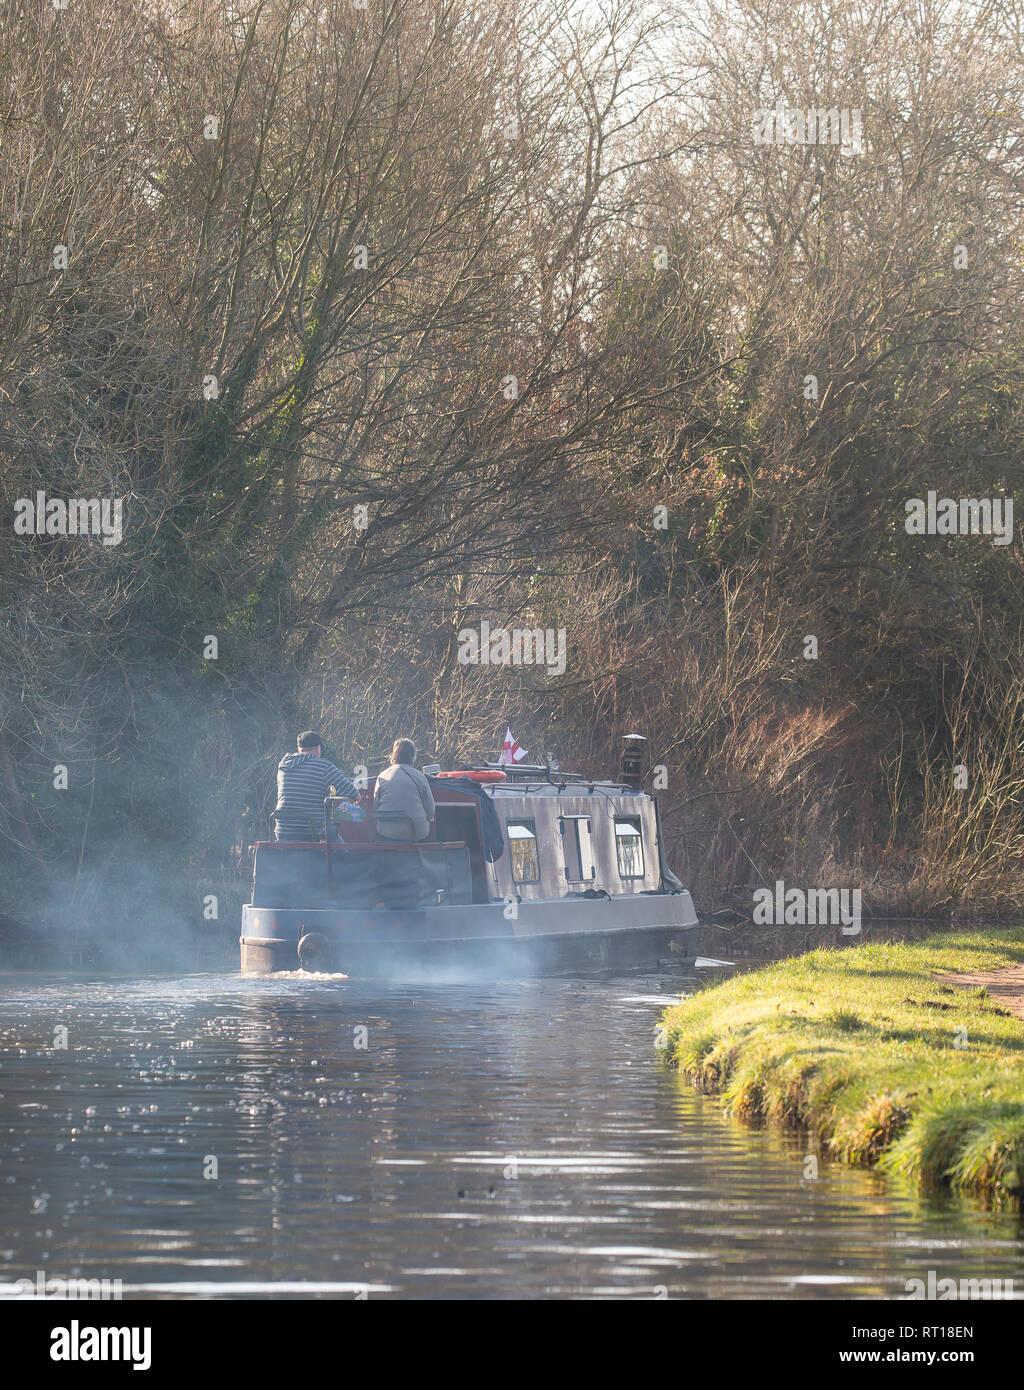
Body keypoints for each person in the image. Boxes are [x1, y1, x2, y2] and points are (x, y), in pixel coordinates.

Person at [273, 731, 359, 842]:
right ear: (318, 749)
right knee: (342, 848)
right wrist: (355, 796)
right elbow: (352, 792)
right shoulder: (323, 766)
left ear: (299, 749)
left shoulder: (283, 766)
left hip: (283, 832)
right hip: (311, 833)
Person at [373, 738, 436, 841]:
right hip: (416, 834)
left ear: (394, 754)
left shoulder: (382, 776)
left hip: (386, 833)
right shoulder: (420, 777)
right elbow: (431, 811)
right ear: (412, 756)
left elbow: (376, 807)